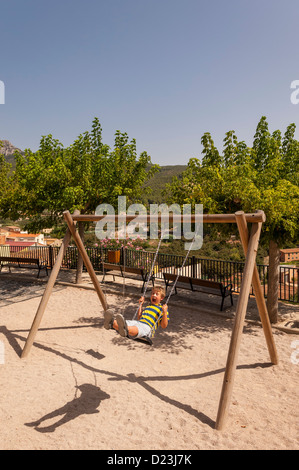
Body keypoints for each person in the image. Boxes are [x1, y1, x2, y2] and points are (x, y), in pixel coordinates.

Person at [104, 286, 169, 340]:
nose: (153, 295)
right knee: (122, 322)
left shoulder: (162, 309)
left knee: (129, 327)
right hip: (138, 322)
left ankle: (123, 329)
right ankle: (110, 323)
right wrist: (140, 305)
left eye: (156, 294)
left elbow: (164, 326)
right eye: (152, 293)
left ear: (161, 298)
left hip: (147, 327)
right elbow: (139, 318)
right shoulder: (148, 307)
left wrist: (165, 312)